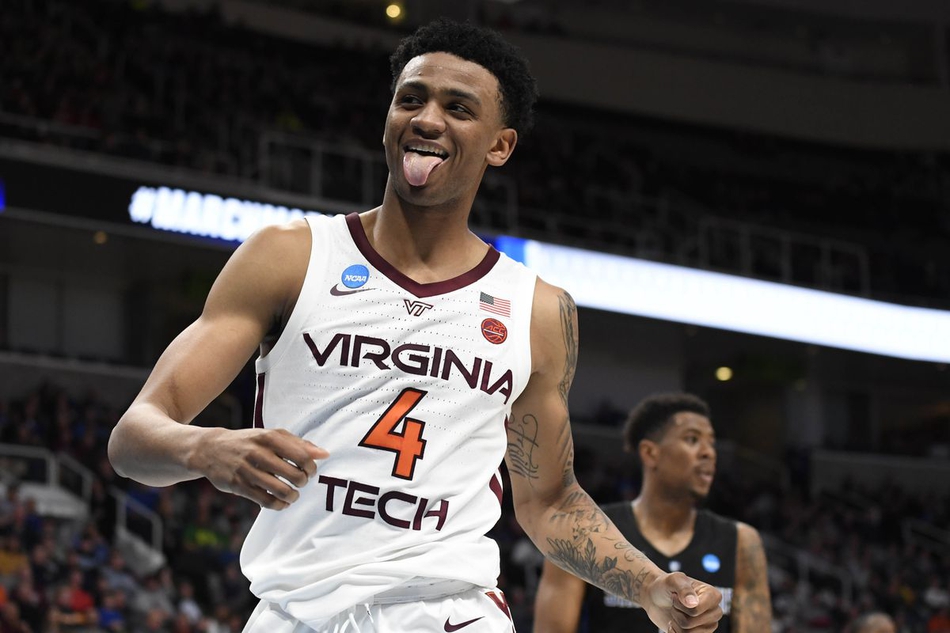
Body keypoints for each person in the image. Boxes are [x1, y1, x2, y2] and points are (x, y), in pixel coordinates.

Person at [108, 18, 723, 633]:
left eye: (458, 108)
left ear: (500, 146)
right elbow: (133, 438)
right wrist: (206, 448)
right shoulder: (290, 256)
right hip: (293, 613)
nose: (427, 120)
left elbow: (550, 500)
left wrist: (650, 585)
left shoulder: (537, 309)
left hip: (451, 612)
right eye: (411, 99)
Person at [534, 393, 772, 632]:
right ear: (650, 453)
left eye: (711, 442)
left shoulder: (741, 541)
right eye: (692, 439)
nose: (709, 452)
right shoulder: (584, 531)